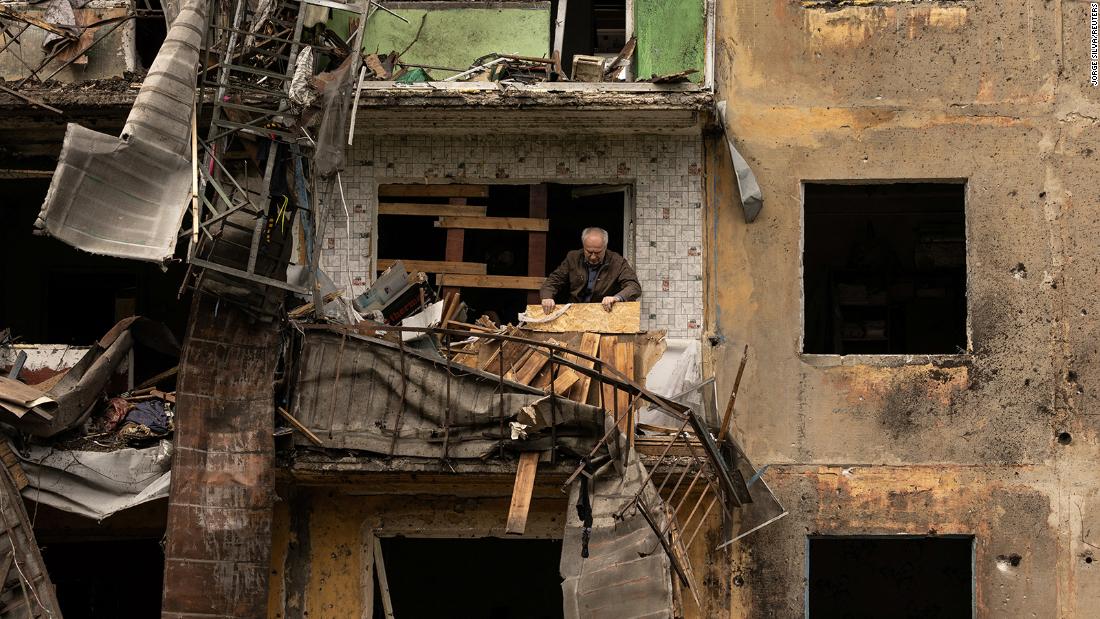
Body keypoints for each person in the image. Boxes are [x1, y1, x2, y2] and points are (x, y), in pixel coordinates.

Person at [540, 227, 641, 313]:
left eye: (597, 252)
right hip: (575, 311)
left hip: (604, 312)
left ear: (605, 247)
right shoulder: (573, 257)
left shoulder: (617, 261)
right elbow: (553, 281)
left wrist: (616, 298)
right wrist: (547, 297)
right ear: (583, 246)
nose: (593, 257)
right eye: (589, 252)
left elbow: (634, 286)